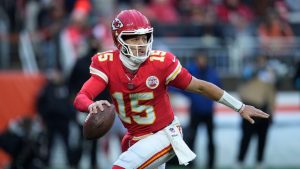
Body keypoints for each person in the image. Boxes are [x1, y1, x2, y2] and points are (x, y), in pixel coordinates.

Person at [73, 9, 269, 169]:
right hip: (136, 138)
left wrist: (240, 107)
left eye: (144, 37)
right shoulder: (106, 63)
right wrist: (91, 105)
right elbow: (81, 97)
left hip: (165, 134)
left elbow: (200, 86)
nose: (141, 44)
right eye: (134, 38)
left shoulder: (161, 62)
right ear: (118, 39)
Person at [236, 59, 276, 169]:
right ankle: (240, 160)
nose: (261, 62)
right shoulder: (249, 72)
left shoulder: (268, 74)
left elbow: (272, 93)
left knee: (262, 138)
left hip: (264, 108)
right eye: (259, 60)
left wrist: (272, 111)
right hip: (250, 107)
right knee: (246, 137)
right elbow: (242, 85)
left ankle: (260, 161)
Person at [184, 54, 221, 169]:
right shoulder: (191, 71)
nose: (202, 61)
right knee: (192, 139)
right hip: (195, 111)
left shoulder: (211, 72)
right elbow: (182, 86)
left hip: (208, 112)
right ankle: (190, 164)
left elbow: (218, 88)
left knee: (210, 139)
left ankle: (211, 164)